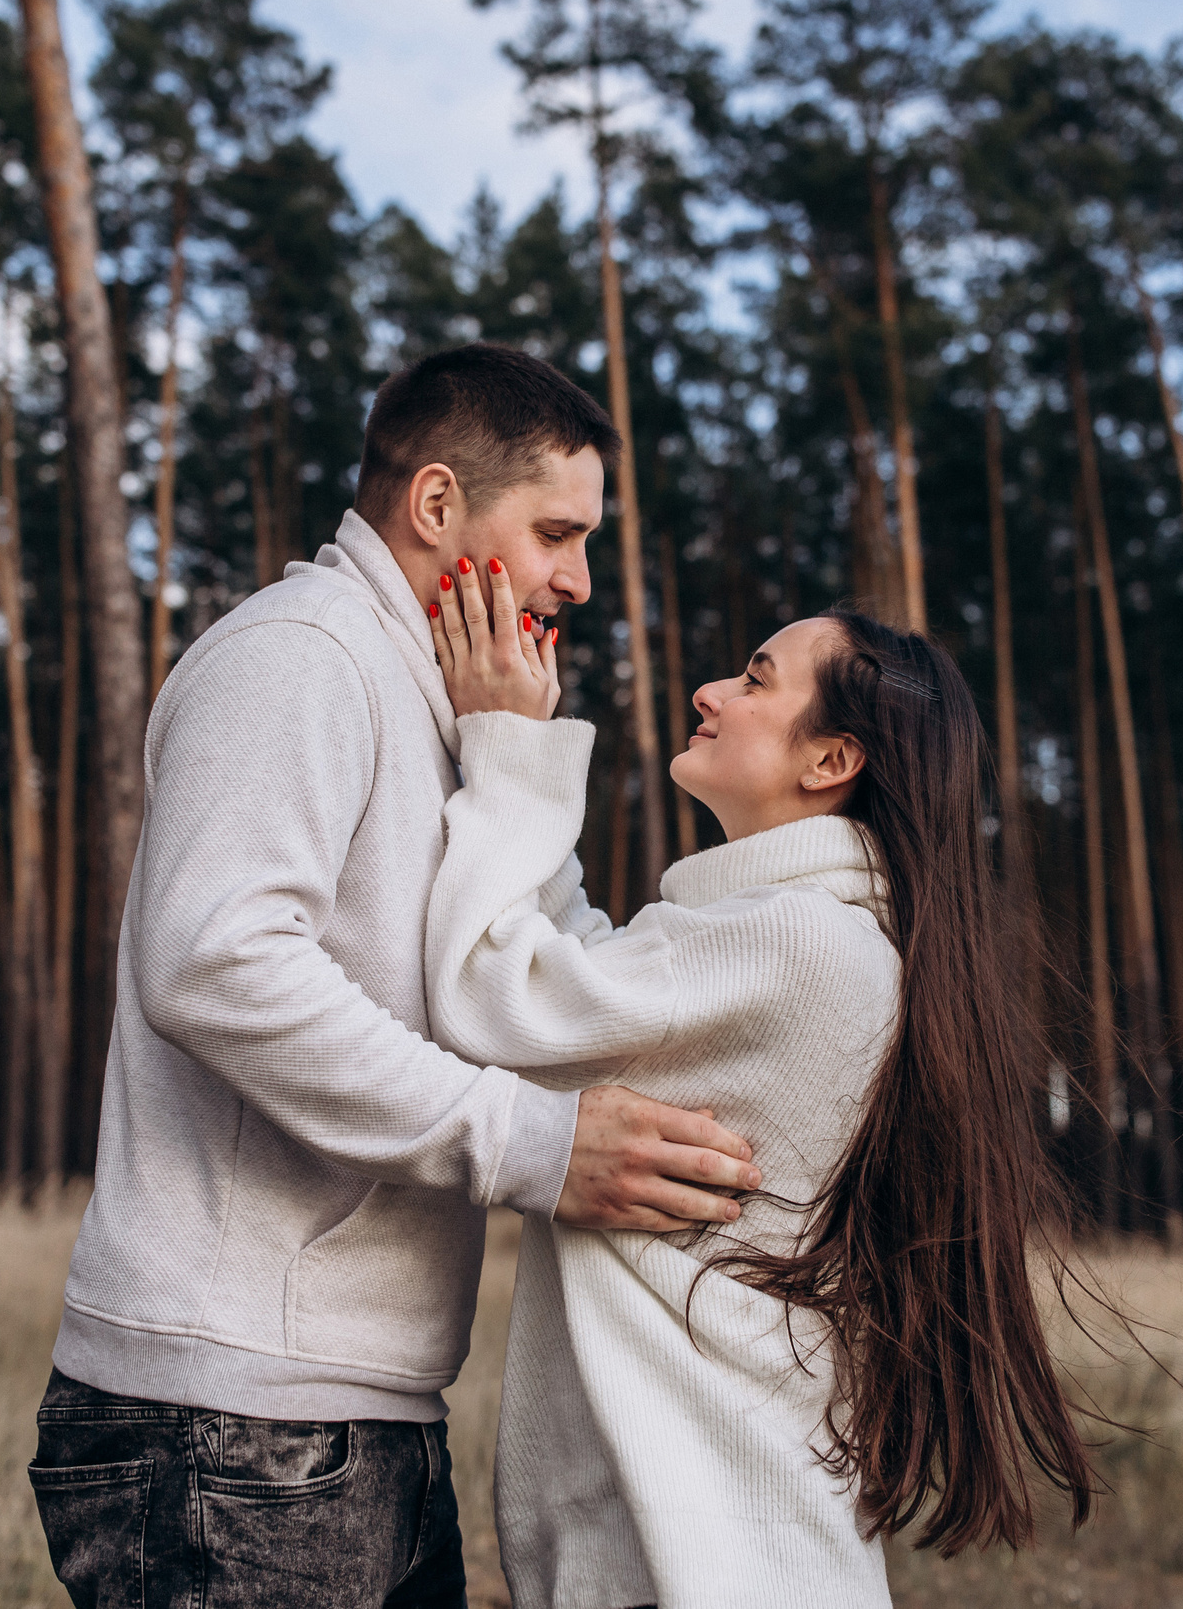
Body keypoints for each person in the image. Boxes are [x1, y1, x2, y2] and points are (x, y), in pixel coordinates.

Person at [29, 344, 764, 1609]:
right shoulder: (300, 655)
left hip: (343, 1416)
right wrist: (531, 1147)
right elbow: (214, 961)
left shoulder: (432, 700)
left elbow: (546, 979)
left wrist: (512, 756)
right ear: (436, 506)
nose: (578, 581)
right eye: (555, 534)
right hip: (228, 1420)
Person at [422, 577, 1101, 1606]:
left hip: (702, 1571)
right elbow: (586, 985)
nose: (710, 690)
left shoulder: (793, 941)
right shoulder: (822, 938)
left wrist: (506, 744)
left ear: (831, 761)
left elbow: (498, 997)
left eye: (754, 679)